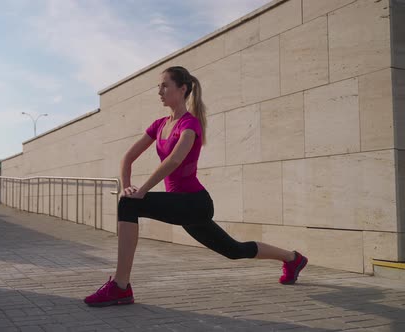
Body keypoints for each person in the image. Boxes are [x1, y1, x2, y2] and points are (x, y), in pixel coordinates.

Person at [84, 66, 308, 307]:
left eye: (165, 85)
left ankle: (120, 286)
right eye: (158, 86)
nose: (159, 91)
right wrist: (126, 187)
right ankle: (292, 258)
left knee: (129, 206)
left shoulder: (190, 125)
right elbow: (127, 158)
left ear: (182, 89)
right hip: (182, 206)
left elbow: (175, 160)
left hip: (195, 203)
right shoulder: (159, 125)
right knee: (233, 250)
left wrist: (142, 190)